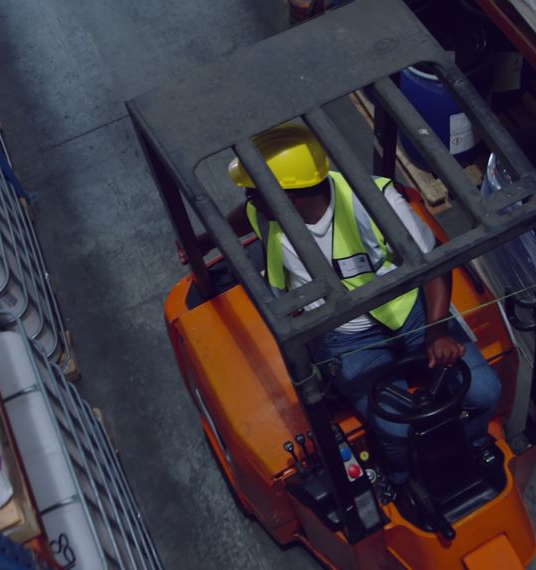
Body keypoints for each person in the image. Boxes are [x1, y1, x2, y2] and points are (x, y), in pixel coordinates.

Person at [182, 124, 500, 485]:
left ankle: (472, 443)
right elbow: (246, 214)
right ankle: (404, 478)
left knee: (485, 391)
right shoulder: (269, 214)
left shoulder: (374, 202)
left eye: (255, 194)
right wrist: (211, 237)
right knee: (395, 430)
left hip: (412, 316)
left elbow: (433, 266)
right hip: (343, 338)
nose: (250, 201)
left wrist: (437, 330)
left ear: (291, 196)